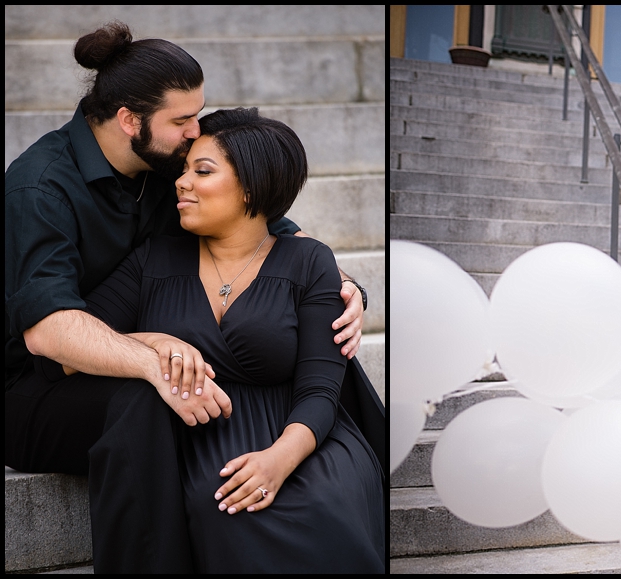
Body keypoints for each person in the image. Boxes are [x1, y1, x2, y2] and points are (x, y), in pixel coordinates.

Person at [4, 22, 369, 572]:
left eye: (198, 114)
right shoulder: (40, 187)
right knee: (151, 396)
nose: (194, 130)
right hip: (35, 387)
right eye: (181, 120)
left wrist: (342, 289)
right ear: (130, 120)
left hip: (133, 351)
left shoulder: (167, 161)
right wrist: (150, 353)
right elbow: (49, 333)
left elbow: (265, 225)